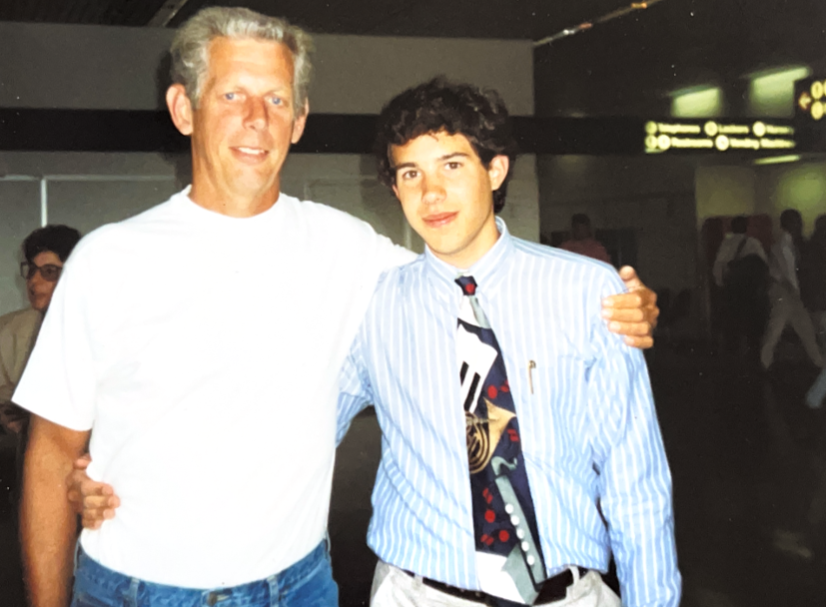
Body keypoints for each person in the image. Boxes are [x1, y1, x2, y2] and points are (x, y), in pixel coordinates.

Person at [31, 8, 658, 607]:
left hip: (300, 585)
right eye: (231, 95)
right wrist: (88, 484)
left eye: (276, 99)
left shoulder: (349, 249)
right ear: (182, 107)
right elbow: (53, 452)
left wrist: (622, 304)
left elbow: (459, 273)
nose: (256, 118)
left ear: (299, 120)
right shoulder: (110, 259)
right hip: (140, 587)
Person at [335, 79, 679, 606]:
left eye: (452, 166)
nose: (431, 194)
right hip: (419, 594)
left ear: (494, 170)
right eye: (411, 173)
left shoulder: (588, 291)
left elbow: (636, 482)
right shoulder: (372, 306)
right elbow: (303, 432)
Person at [0, 225, 81, 471]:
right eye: (31, 270)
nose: (34, 281)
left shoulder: (95, 331)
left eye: (49, 272)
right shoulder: (10, 329)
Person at [760, 209, 824, 370]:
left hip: (789, 294)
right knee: (785, 329)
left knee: (794, 329)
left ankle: (765, 363)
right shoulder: (787, 246)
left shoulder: (788, 245)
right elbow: (781, 273)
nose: (800, 225)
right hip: (787, 293)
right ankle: (819, 362)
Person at [711, 215, 768, 360]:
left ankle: (732, 356)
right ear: (746, 227)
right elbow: (763, 265)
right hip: (751, 292)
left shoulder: (726, 244)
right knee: (752, 326)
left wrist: (721, 285)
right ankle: (753, 355)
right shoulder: (753, 243)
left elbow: (718, 267)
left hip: (733, 290)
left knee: (733, 324)